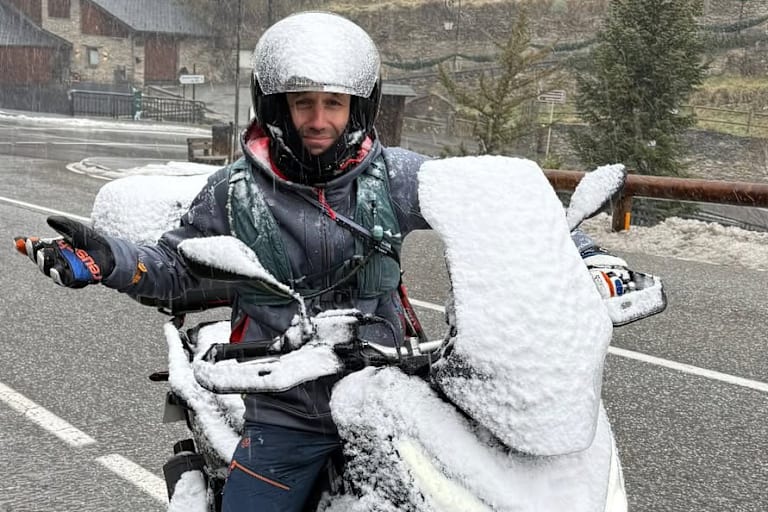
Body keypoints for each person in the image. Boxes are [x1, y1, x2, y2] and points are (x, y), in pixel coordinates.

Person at [14, 11, 636, 511]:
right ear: (275, 106)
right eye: (303, 103)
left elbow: (495, 209)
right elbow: (176, 269)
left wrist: (584, 259)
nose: (319, 120)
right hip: (289, 404)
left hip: (393, 389)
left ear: (356, 107)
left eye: (333, 103)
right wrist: (109, 261)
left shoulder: (392, 177)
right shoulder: (235, 192)